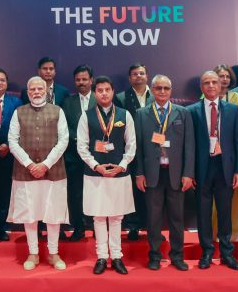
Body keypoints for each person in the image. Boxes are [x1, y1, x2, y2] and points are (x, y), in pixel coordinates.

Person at [8, 76, 69, 271]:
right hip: (25, 173)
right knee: (30, 214)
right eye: (32, 89)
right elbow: (12, 141)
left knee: (53, 214)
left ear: (46, 91)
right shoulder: (19, 112)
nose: (36, 92)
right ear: (27, 92)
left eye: (39, 89)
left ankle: (53, 253)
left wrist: (45, 164)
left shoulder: (58, 111)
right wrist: (29, 164)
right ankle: (33, 253)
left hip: (53, 171)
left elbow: (63, 140)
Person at [134, 74, 195, 271]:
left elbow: (190, 146)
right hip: (152, 174)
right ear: (152, 90)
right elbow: (139, 148)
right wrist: (139, 173)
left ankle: (177, 256)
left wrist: (188, 173)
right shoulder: (142, 114)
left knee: (177, 219)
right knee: (153, 218)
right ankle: (154, 256)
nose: (162, 92)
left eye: (166, 88)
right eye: (158, 88)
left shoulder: (183, 113)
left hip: (176, 174)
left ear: (171, 90)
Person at [77, 76, 136, 275]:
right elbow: (82, 147)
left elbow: (131, 145)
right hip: (95, 174)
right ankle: (102, 256)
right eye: (100, 90)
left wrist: (121, 165)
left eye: (107, 90)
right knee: (99, 217)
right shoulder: (86, 116)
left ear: (113, 92)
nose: (104, 93)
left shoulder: (124, 114)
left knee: (117, 217)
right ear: (95, 93)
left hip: (119, 173)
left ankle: (117, 257)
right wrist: (96, 166)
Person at [188, 71, 238, 271]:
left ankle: (227, 253)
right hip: (202, 169)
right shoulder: (192, 111)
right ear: (201, 87)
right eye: (206, 83)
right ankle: (207, 253)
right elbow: (189, 145)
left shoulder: (232, 110)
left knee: (224, 212)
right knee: (203, 214)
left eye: (214, 82)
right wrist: (190, 171)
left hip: (225, 167)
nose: (211, 85)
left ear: (221, 85)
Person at [113, 63, 153, 241]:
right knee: (133, 189)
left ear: (147, 76)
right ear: (129, 78)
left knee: (154, 188)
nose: (139, 76)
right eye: (135, 74)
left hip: (153, 148)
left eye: (142, 73)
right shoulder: (121, 98)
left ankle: (153, 224)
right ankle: (133, 225)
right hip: (130, 149)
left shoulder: (157, 95)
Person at [211, 64, 238, 242]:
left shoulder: (236, 98)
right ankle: (213, 232)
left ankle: (232, 233)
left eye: (226, 76)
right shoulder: (205, 97)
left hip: (230, 155)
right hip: (210, 157)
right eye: (220, 76)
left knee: (233, 197)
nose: (223, 79)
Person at [62, 65, 95, 242]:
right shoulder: (68, 102)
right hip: (74, 156)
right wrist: (80, 141)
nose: (81, 82)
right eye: (78, 80)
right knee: (75, 193)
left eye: (84, 79)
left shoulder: (100, 99)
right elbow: (64, 127)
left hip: (97, 156)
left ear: (91, 80)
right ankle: (79, 228)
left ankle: (98, 227)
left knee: (98, 192)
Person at [0, 68, 22, 241]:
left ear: (6, 83)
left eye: (2, 80)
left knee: (3, 192)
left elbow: (21, 127)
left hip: (8, 154)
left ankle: (0, 228)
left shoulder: (16, 102)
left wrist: (8, 145)